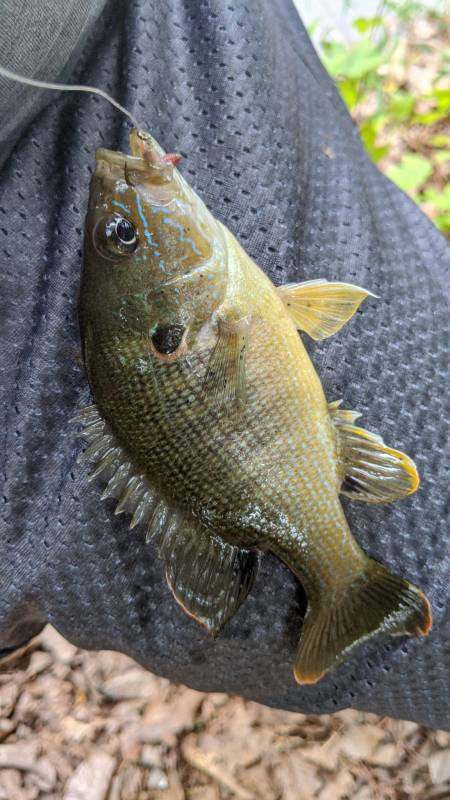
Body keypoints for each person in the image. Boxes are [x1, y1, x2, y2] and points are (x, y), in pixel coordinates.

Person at [0, 0, 448, 729]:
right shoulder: (223, 309)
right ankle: (344, 586)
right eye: (120, 234)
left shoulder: (217, 307)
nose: (117, 184)